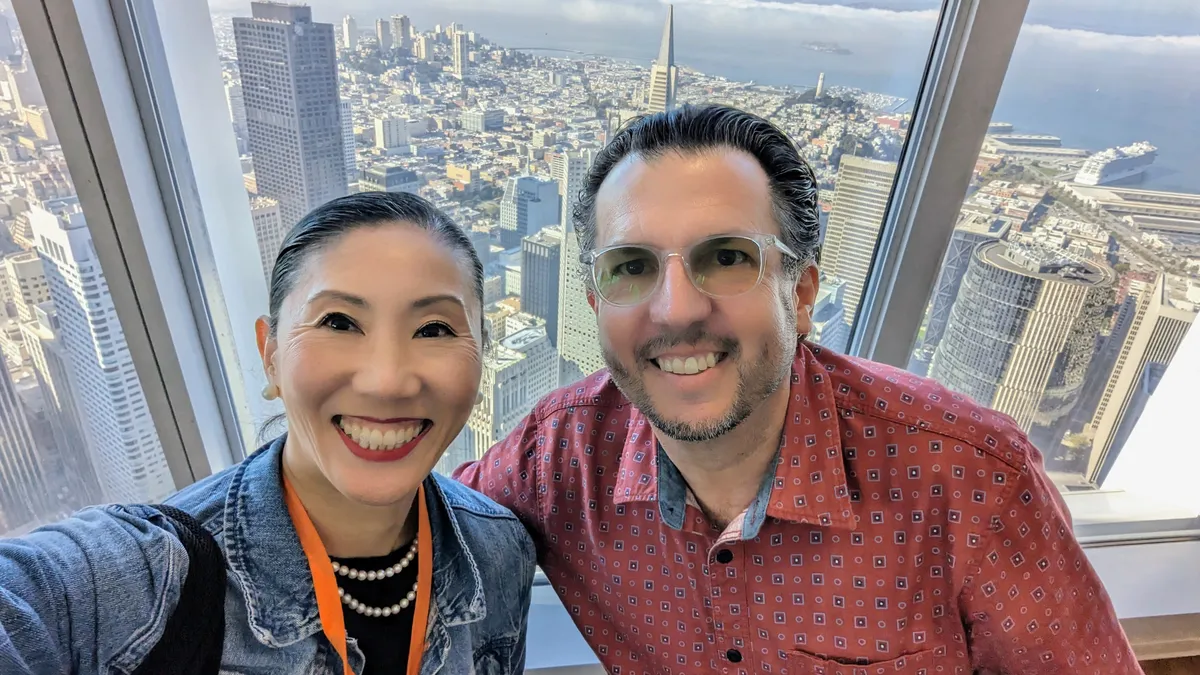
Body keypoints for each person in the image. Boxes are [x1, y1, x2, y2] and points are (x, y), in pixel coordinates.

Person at [455, 105, 1141, 674]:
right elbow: (411, 524)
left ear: (803, 292)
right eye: (631, 266)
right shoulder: (558, 458)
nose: (676, 310)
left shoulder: (971, 481)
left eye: (727, 258)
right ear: (597, 304)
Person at [0, 192, 535, 674]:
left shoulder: (499, 548)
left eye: (434, 329)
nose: (387, 381)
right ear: (271, 354)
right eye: (339, 323)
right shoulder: (146, 579)